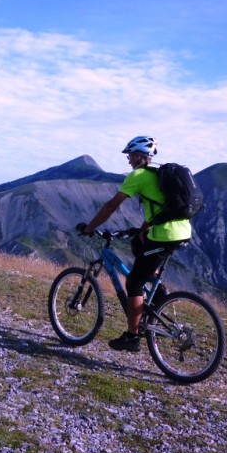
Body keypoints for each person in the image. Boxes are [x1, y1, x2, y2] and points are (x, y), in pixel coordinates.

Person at [78, 136, 192, 352]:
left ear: (140, 156)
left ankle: (132, 337)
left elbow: (111, 206)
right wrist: (141, 230)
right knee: (139, 247)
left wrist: (90, 227)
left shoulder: (138, 175)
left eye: (130, 155)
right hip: (181, 230)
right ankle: (158, 294)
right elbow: (159, 207)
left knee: (133, 282)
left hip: (165, 234)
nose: (128, 160)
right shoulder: (157, 175)